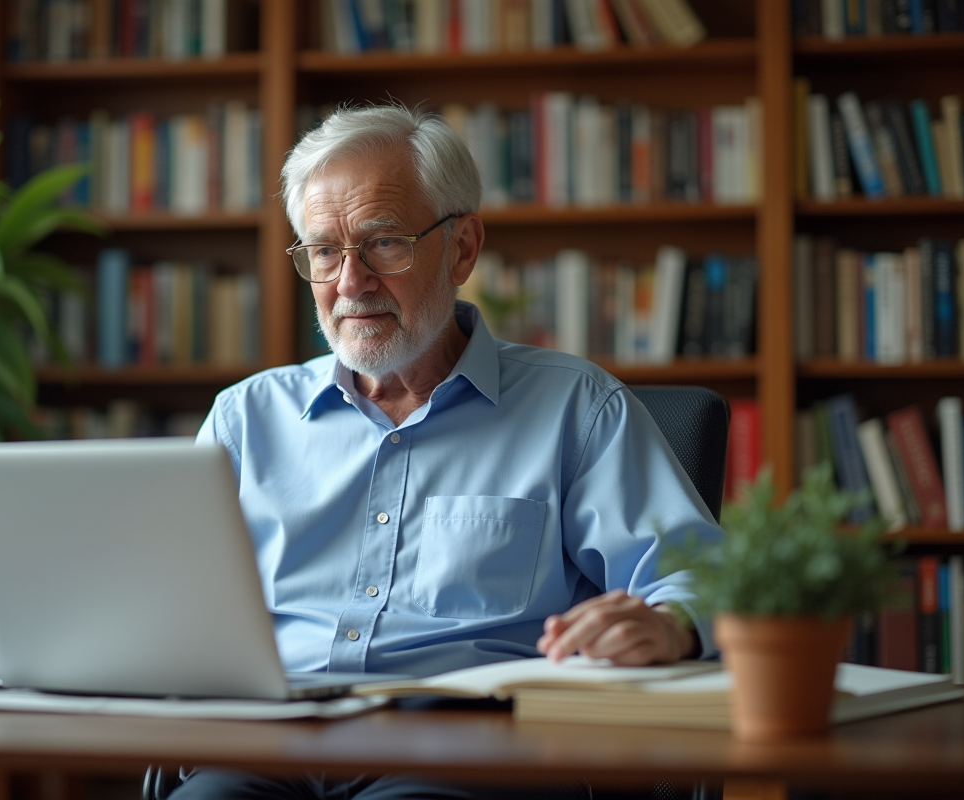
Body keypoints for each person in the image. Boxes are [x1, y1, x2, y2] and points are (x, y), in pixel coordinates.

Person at [177, 103, 722, 800]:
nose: (349, 282)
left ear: (463, 247)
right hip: (259, 743)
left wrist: (670, 625)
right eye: (323, 251)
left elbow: (701, 576)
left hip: (465, 754)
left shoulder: (577, 409)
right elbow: (172, 616)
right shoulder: (245, 419)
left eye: (383, 243)